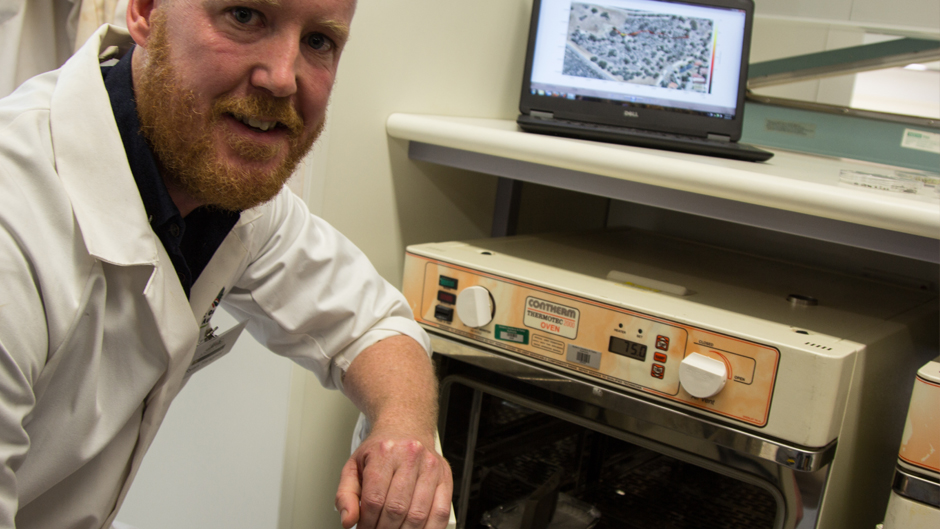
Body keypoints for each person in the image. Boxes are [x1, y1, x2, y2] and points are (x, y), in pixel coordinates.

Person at [0, 0, 453, 527]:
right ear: (145, 11)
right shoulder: (16, 222)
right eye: (244, 16)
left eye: (319, 41)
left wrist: (405, 430)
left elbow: (374, 325)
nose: (282, 78)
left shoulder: (228, 194)